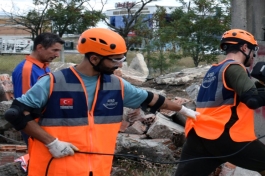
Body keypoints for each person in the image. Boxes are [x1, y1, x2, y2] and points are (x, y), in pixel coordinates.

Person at [4, 27, 198, 176]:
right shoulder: (54, 82)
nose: (119, 64)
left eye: (121, 59)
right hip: (56, 167)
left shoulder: (116, 85)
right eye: (114, 60)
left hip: (97, 169)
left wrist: (184, 110)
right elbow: (16, 113)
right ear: (94, 58)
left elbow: (152, 99)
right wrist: (52, 142)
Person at [174, 29, 265, 176]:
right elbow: (253, 100)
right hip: (227, 136)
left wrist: (259, 85)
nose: (253, 56)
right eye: (253, 51)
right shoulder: (234, 67)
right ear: (244, 48)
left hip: (199, 135)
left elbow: (234, 97)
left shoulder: (214, 70)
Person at [11, 33, 64, 145]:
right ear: (40, 48)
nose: (57, 55)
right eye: (54, 50)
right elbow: (24, 107)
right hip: (36, 130)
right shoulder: (27, 69)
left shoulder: (44, 66)